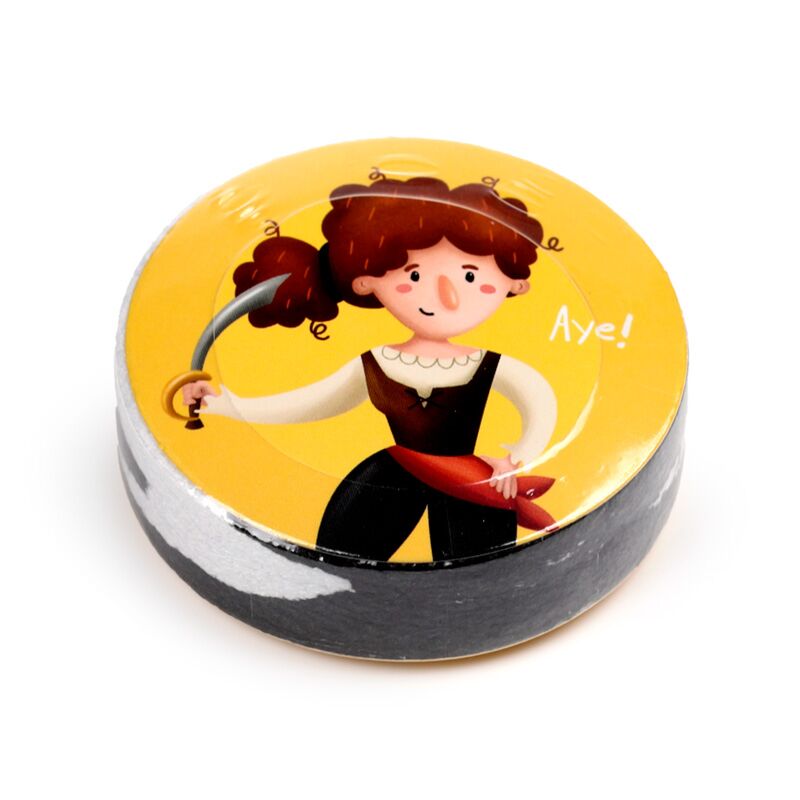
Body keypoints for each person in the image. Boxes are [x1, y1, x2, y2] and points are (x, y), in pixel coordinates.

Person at [181, 174, 558, 561]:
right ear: (367, 282)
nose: (447, 295)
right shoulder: (377, 363)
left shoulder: (490, 364)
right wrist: (223, 404)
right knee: (342, 556)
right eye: (414, 276)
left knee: (479, 570)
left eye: (470, 276)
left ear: (514, 284)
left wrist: (515, 460)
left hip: (473, 483)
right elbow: (311, 402)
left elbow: (539, 400)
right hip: (389, 479)